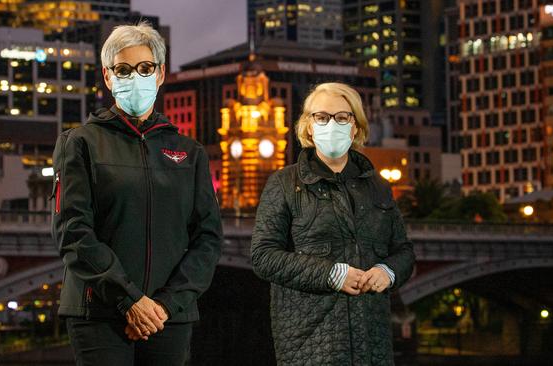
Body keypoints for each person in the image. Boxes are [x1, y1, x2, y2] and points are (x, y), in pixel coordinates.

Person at [50, 22, 222, 365]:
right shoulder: (79, 144)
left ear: (159, 75)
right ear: (108, 77)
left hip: (168, 317)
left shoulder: (189, 152)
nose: (135, 77)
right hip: (98, 315)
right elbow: (73, 231)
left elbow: (208, 238)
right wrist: (128, 300)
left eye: (145, 68)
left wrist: (164, 305)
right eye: (123, 69)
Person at [251, 82, 415, 365]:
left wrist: (387, 271)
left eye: (342, 117)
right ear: (308, 127)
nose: (332, 124)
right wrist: (331, 274)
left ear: (356, 128)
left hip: (372, 348)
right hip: (310, 347)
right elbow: (263, 256)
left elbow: (404, 251)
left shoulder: (378, 187)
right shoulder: (285, 184)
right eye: (322, 117)